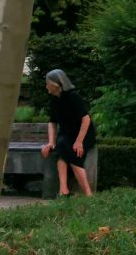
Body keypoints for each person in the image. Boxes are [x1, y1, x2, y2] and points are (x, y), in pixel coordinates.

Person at [41, 69, 95, 197]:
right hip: (66, 134)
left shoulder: (73, 97)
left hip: (83, 134)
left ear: (56, 84)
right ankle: (63, 190)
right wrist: (50, 142)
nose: (46, 86)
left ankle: (88, 193)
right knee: (61, 145)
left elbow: (86, 119)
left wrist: (79, 141)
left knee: (70, 150)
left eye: (47, 83)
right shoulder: (54, 99)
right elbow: (52, 122)